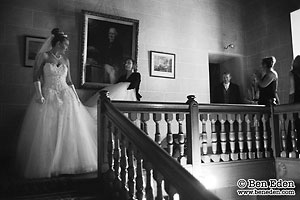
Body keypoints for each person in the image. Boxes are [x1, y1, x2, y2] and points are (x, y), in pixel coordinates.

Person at [16, 28, 97, 179]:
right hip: (49, 94)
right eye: (65, 45)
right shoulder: (44, 56)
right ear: (58, 43)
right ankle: (50, 165)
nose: (67, 48)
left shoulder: (66, 60)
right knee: (48, 130)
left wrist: (76, 97)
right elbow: (36, 77)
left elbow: (69, 81)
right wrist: (39, 95)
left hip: (66, 96)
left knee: (68, 130)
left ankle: (66, 164)